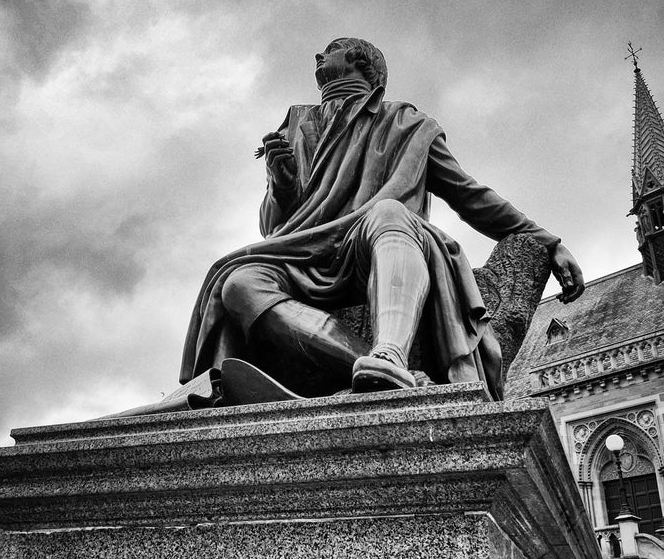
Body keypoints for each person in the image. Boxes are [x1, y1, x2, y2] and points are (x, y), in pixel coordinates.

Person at [179, 38, 584, 402]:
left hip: (381, 244)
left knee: (389, 209)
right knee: (239, 282)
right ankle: (380, 369)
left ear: (361, 61)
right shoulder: (296, 124)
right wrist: (280, 182)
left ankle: (390, 349)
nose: (318, 56)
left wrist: (547, 241)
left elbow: (468, 194)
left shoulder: (408, 124)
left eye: (331, 49)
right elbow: (273, 227)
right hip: (307, 255)